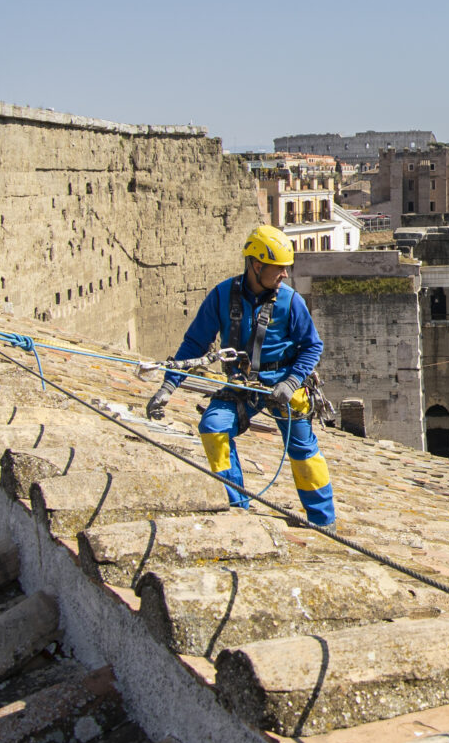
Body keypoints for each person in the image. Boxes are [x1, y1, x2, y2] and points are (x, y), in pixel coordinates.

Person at [144, 225, 336, 527]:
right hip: (241, 385)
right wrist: (168, 386)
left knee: (302, 450)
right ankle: (238, 507)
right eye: (278, 268)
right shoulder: (221, 296)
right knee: (213, 428)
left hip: (285, 384)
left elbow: (312, 346)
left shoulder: (290, 301)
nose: (285, 274)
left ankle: (323, 520)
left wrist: (291, 382)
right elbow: (194, 344)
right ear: (256, 265)